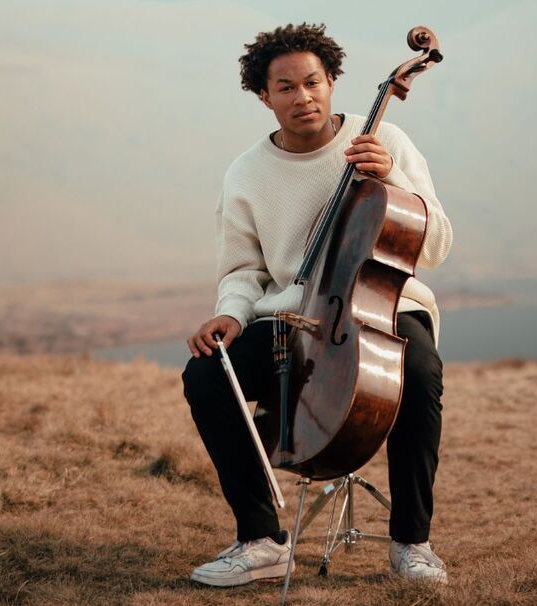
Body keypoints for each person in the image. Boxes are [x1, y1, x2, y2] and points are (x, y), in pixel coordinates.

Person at [182, 22, 452, 587]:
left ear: (331, 82)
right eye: (286, 87)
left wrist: (391, 178)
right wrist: (231, 313)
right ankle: (260, 539)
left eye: (312, 82)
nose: (302, 97)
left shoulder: (385, 140)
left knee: (418, 368)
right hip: (294, 314)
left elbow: (436, 244)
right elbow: (243, 271)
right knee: (207, 374)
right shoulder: (247, 173)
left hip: (387, 303)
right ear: (265, 97)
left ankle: (412, 542)